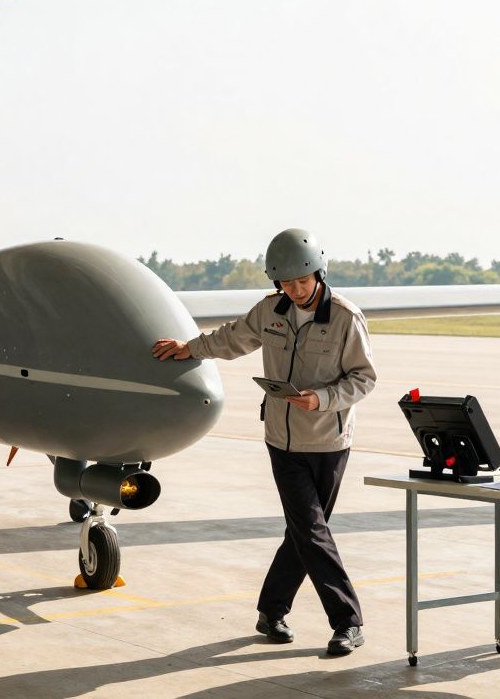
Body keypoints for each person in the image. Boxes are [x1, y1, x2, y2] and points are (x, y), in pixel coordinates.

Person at [151, 228, 376, 656]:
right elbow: (233, 336)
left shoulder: (346, 318)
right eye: (285, 284)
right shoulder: (271, 311)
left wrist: (321, 399)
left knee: (306, 533)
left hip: (329, 442)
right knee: (311, 531)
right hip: (281, 441)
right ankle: (347, 621)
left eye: (301, 282)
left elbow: (364, 378)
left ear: (319, 274)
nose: (293, 290)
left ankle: (271, 610)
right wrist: (189, 349)